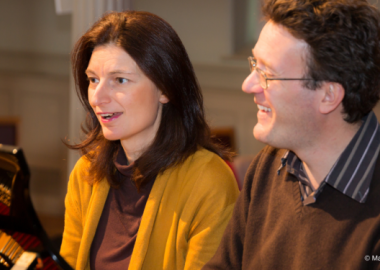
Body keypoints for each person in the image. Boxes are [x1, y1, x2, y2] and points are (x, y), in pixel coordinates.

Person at [203, 0, 380, 269]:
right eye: (254, 64)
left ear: (328, 95)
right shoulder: (269, 165)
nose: (248, 84)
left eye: (267, 73)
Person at [60, 11, 239, 270]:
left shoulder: (209, 181)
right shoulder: (86, 172)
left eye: (119, 80)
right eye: (93, 80)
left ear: (165, 89)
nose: (97, 98)